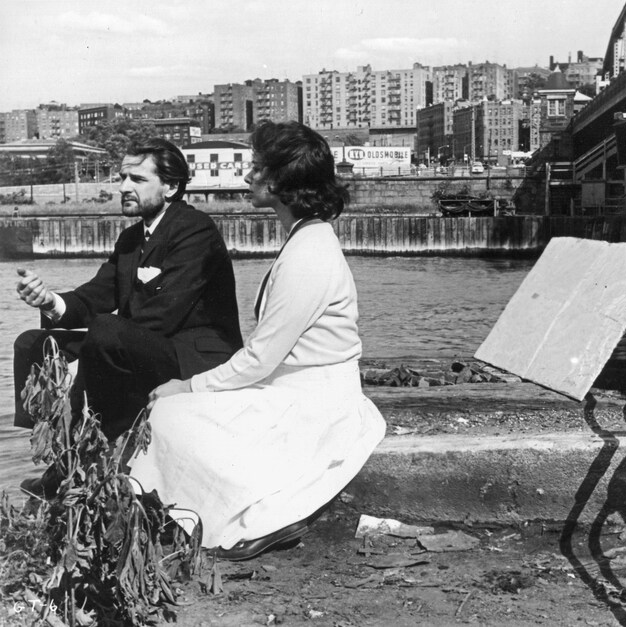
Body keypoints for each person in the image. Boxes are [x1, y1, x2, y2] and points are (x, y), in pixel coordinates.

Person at [128, 121, 386, 561]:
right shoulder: (307, 239)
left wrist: (187, 385)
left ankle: (259, 518)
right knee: (175, 413)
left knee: (169, 413)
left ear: (284, 181)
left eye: (258, 168)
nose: (248, 177)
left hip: (312, 401)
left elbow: (260, 359)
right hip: (296, 388)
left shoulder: (309, 254)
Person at [15, 138, 242, 495]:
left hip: (194, 357)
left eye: (136, 179)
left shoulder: (194, 230)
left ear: (171, 186)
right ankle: (55, 451)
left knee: (106, 330)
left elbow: (162, 316)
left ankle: (90, 458)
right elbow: (94, 297)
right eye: (122, 178)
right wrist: (48, 300)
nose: (123, 187)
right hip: (148, 344)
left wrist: (84, 354)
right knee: (33, 343)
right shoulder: (131, 238)